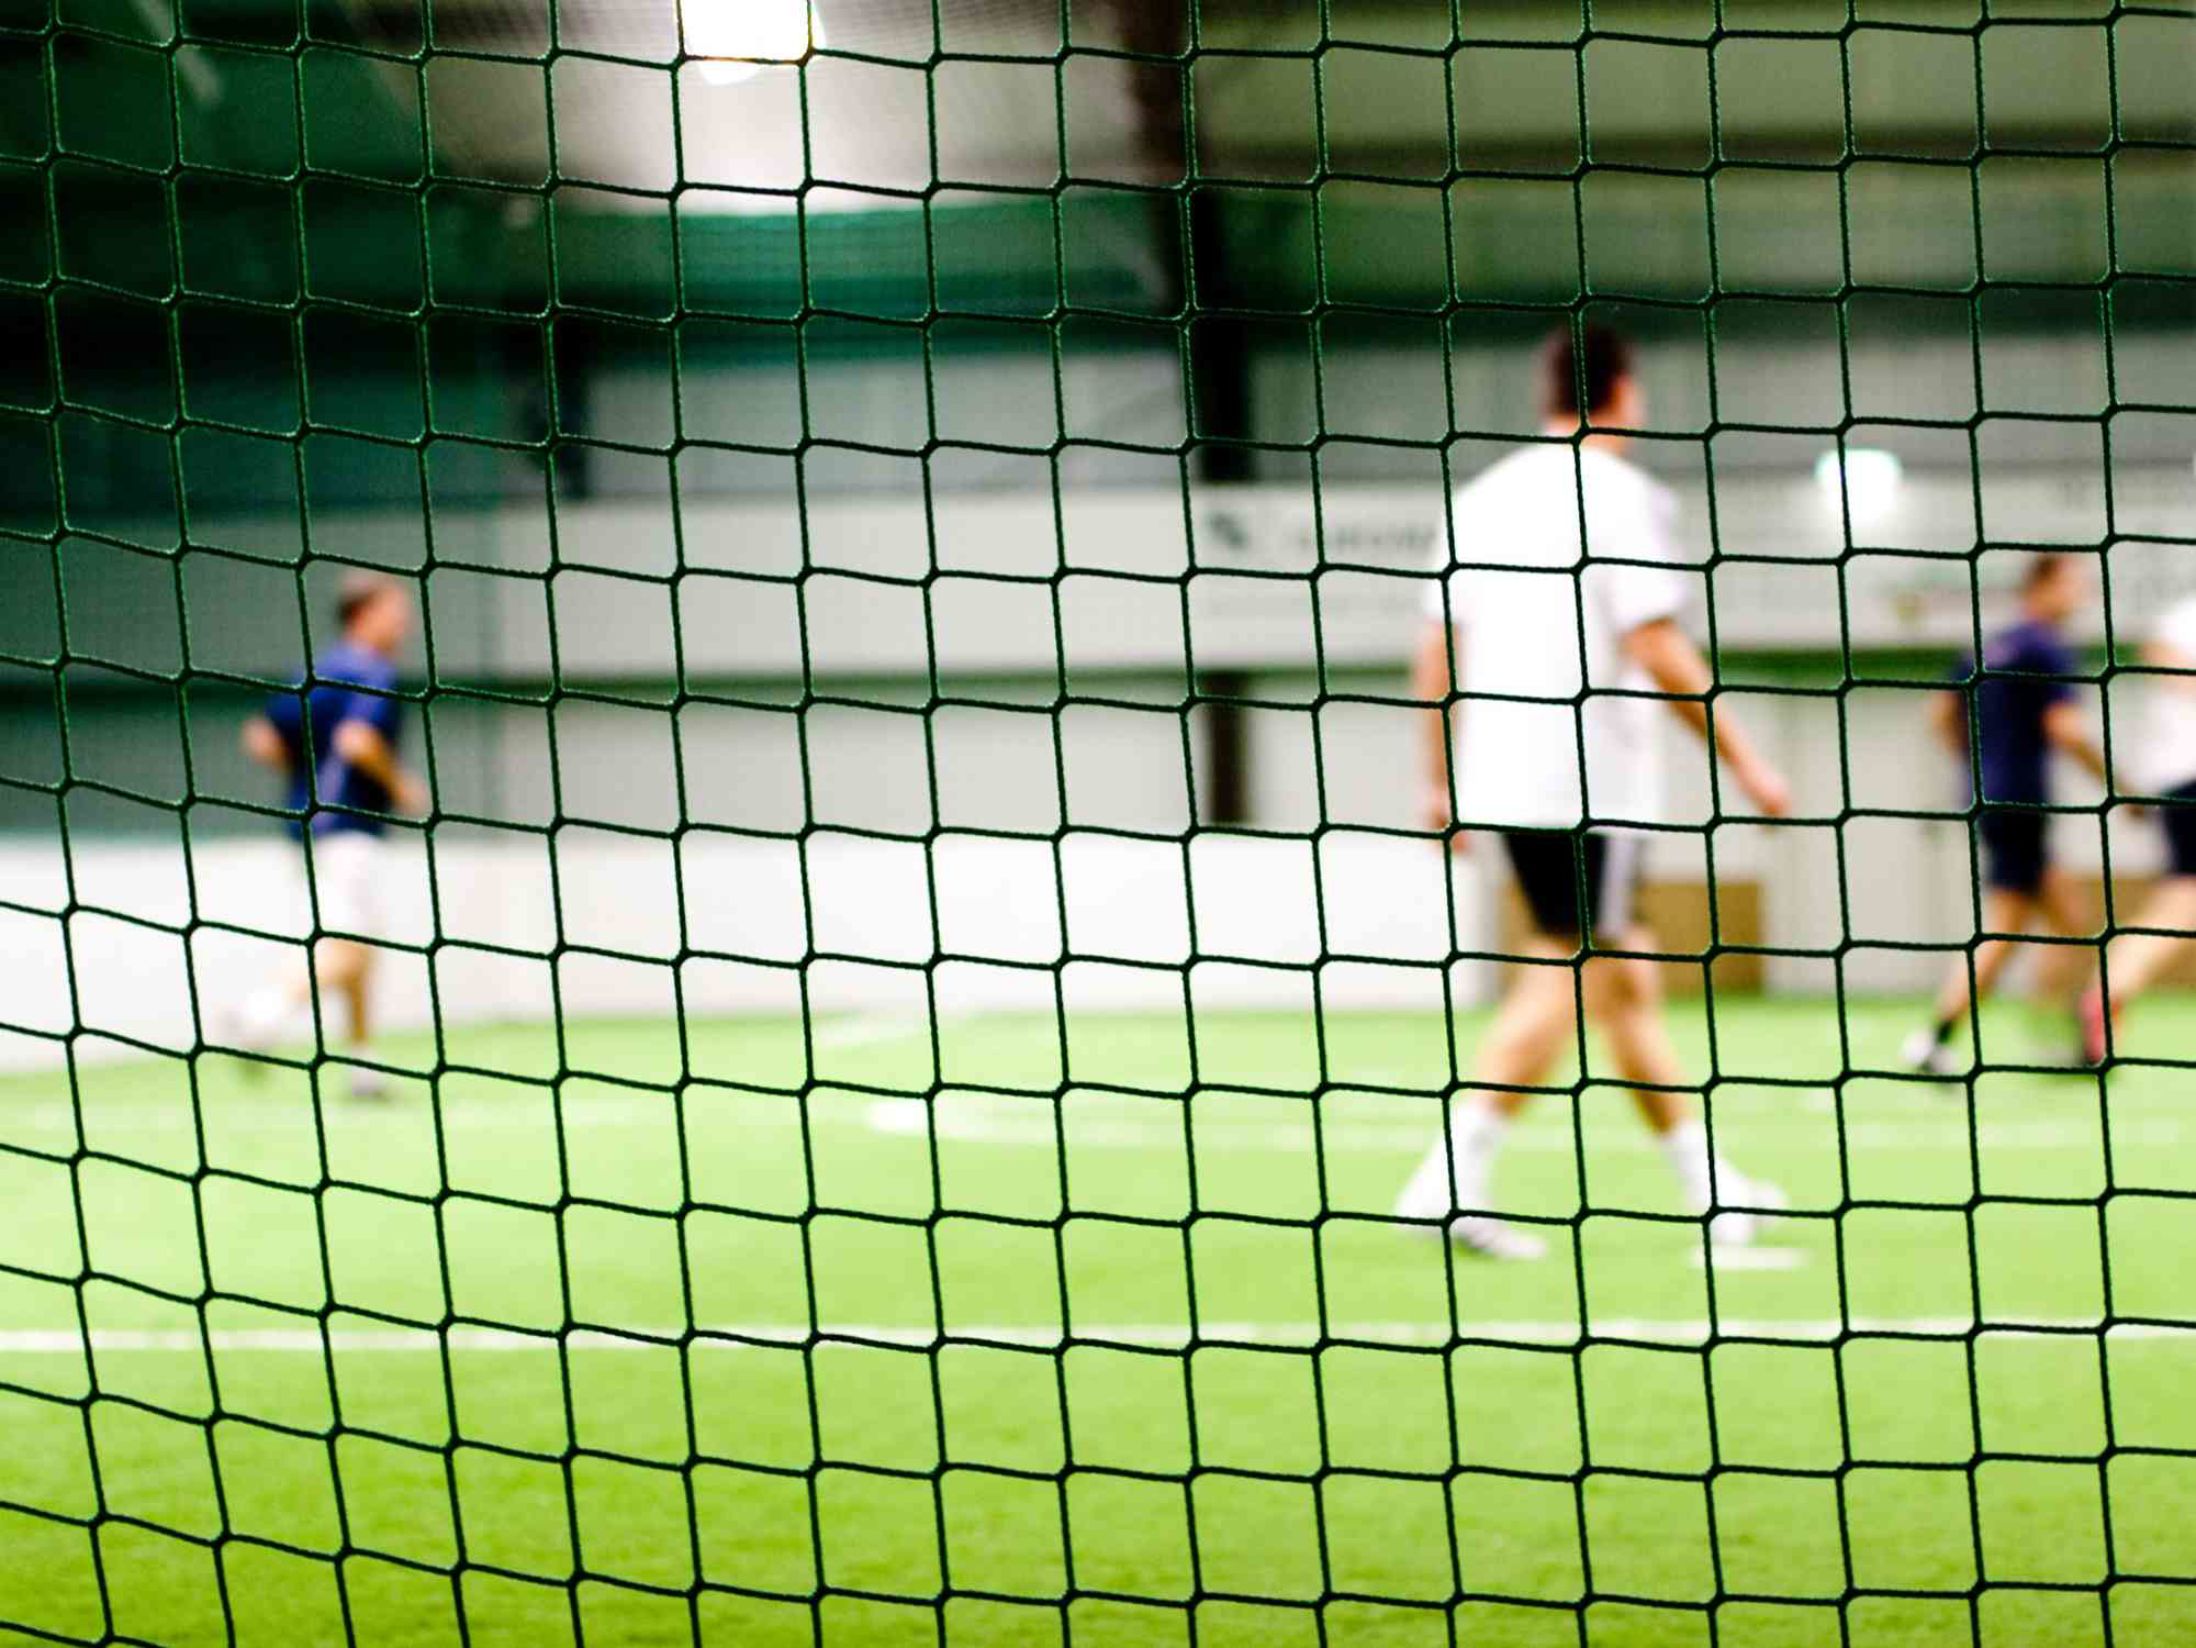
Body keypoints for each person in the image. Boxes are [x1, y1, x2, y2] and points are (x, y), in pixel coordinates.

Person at [1395, 323, 1794, 1261]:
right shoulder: (1622, 498)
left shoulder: (1481, 498)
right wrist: (1748, 761)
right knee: (1577, 978)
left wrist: (1436, 779)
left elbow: (1433, 648)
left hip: (1507, 781)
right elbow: (1657, 648)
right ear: (1622, 391)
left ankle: (1714, 1193)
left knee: (1619, 983)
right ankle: (1450, 1176)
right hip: (1587, 786)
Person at [1903, 553, 2112, 1076]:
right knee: (2008, 930)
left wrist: (1976, 767)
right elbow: (2067, 730)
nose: (2082, 595)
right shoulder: (2045, 647)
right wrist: (2120, 789)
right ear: (2042, 585)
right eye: (2075, 584)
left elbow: (1939, 716)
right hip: (2021, 804)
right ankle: (1936, 1039)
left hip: (1993, 801)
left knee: (2071, 921)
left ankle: (2067, 1033)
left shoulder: (1981, 647)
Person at [221, 571, 427, 1098]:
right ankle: (258, 1017)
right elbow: (359, 741)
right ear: (364, 613)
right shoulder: (372, 673)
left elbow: (262, 738)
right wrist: (401, 785)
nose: (404, 622)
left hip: (306, 826)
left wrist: (306, 775)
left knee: (356, 944)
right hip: (350, 828)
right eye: (394, 610)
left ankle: (364, 1069)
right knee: (349, 948)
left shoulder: (315, 673)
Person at [2080, 593, 2196, 1063]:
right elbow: (2158, 652)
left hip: (2177, 780)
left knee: (2184, 898)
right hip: (2188, 778)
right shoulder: (2184, 616)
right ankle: (2110, 988)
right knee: (2186, 899)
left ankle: (2110, 987)